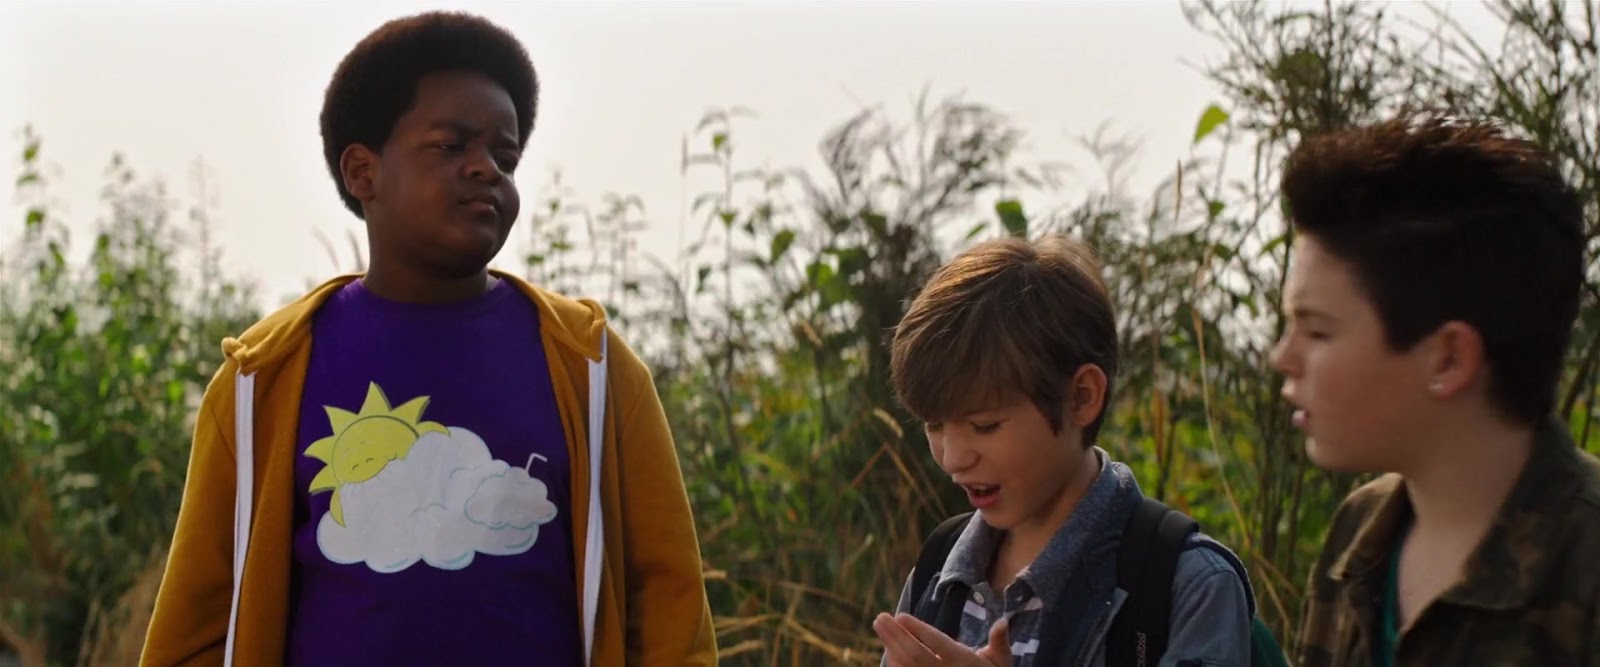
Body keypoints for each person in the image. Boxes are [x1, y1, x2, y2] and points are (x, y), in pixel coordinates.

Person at [140, 11, 716, 666]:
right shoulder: (265, 378)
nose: (486, 170)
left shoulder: (591, 368)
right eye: (451, 146)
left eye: (504, 157)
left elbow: (668, 605)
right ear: (363, 172)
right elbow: (196, 626)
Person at [1274, 116, 1600, 665]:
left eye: (1319, 331)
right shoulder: (1360, 534)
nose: (1282, 358)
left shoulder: (1585, 566)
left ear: (1449, 358)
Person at [873, 235, 1258, 666]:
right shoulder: (937, 571)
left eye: (984, 425)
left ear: (1081, 397)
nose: (952, 459)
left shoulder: (1188, 586)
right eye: (934, 425)